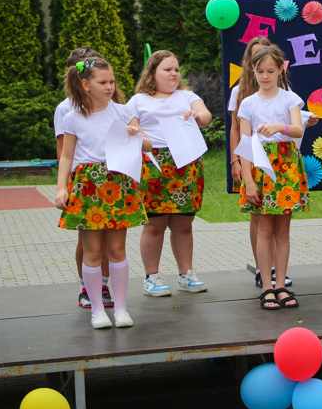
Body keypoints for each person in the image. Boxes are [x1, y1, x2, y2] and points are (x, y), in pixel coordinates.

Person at [55, 54, 150, 329]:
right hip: (87, 185)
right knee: (92, 251)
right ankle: (97, 309)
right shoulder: (72, 117)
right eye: (102, 82)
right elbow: (66, 156)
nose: (109, 86)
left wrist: (137, 134)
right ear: (85, 84)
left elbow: (148, 145)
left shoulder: (122, 111)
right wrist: (62, 188)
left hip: (117, 182)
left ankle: (120, 308)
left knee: (117, 250)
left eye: (112, 81)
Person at [128, 50, 211, 297]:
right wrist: (140, 136)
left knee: (184, 224)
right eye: (167, 69)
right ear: (152, 72)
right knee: (155, 224)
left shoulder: (187, 96)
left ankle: (186, 274)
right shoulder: (138, 100)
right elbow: (131, 128)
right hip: (154, 165)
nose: (174, 73)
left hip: (186, 164)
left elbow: (205, 117)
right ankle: (151, 277)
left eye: (176, 69)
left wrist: (197, 115)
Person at [238, 45, 309, 310]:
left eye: (270, 71)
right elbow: (245, 144)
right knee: (264, 229)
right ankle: (266, 285)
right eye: (260, 71)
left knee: (282, 230)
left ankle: (281, 285)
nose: (265, 76)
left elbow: (298, 130)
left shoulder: (290, 99)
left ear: (281, 69)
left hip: (285, 167)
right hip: (260, 167)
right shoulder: (248, 103)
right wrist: (249, 180)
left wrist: (280, 127)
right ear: (253, 71)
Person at [55, 50, 112, 309]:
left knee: (110, 240)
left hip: (111, 179)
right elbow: (64, 151)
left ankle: (104, 284)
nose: (108, 86)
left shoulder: (111, 101)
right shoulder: (66, 110)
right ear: (80, 79)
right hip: (84, 180)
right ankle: (86, 285)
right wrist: (63, 186)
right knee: (87, 240)